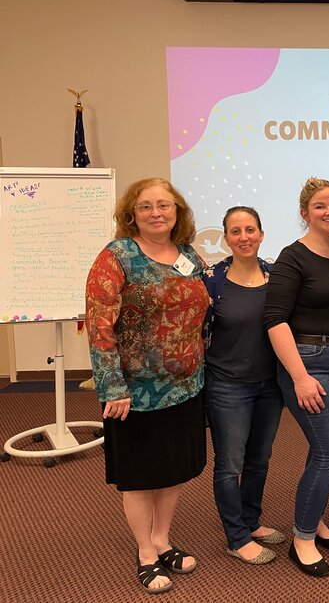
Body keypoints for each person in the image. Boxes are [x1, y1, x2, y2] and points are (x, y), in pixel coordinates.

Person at [85, 178, 208, 595]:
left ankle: (163, 539)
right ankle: (145, 552)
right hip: (134, 392)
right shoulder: (116, 257)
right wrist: (112, 387)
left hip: (186, 387)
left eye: (165, 205)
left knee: (171, 470)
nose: (156, 213)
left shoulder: (188, 255)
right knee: (140, 476)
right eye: (146, 206)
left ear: (178, 212)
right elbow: (99, 328)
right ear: (131, 214)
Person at [265, 178, 329, 578]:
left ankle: (315, 518)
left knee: (323, 448)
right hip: (311, 364)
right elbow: (274, 321)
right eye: (320, 206)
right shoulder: (293, 257)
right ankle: (303, 538)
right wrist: (301, 376)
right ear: (305, 213)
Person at [202, 206, 284, 565]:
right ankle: (236, 537)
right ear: (225, 238)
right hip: (227, 387)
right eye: (235, 231)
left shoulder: (276, 275)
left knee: (259, 460)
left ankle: (251, 522)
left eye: (250, 229)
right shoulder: (212, 280)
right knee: (230, 464)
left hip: (270, 385)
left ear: (262, 234)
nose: (244, 237)